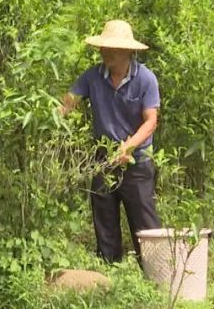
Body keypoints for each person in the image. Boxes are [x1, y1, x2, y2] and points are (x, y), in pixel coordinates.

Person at [60, 20, 162, 263]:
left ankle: (155, 270)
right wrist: (44, 113)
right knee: (104, 218)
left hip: (136, 160)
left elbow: (151, 121)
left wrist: (129, 146)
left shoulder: (146, 79)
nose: (104, 53)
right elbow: (67, 104)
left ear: (127, 52)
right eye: (103, 48)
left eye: (111, 49)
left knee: (144, 221)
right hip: (103, 158)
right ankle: (109, 270)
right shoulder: (92, 77)